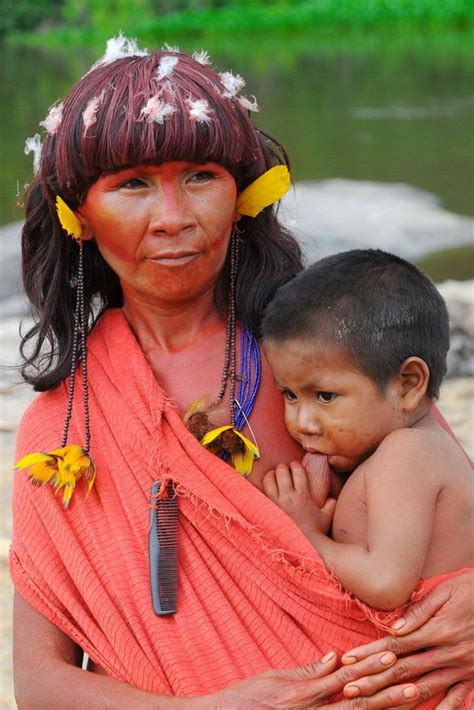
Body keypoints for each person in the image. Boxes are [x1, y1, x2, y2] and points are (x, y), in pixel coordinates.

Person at [10, 37, 474, 709]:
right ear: (78, 213)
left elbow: (453, 497)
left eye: (201, 175)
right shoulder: (62, 431)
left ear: (242, 193)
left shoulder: (324, 352)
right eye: (132, 185)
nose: (174, 218)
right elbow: (42, 685)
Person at [261, 249, 474, 612]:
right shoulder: (401, 453)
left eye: (325, 396)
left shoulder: (408, 453)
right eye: (290, 395)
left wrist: (308, 534)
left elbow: (385, 584)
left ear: (408, 384)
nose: (302, 423)